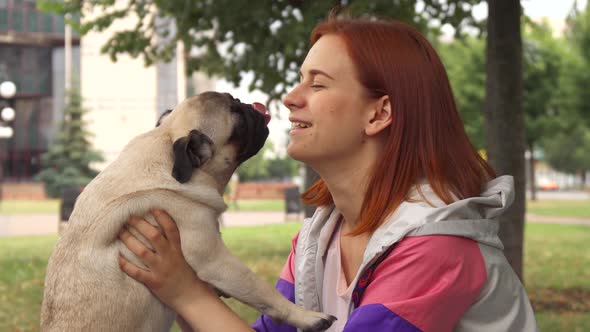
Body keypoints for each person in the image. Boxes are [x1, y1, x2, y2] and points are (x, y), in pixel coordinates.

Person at [118, 16, 538, 332]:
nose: (289, 98)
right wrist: (187, 282)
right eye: (300, 80)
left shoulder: (438, 249)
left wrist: (185, 292)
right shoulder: (319, 240)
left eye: (316, 85)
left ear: (379, 114)